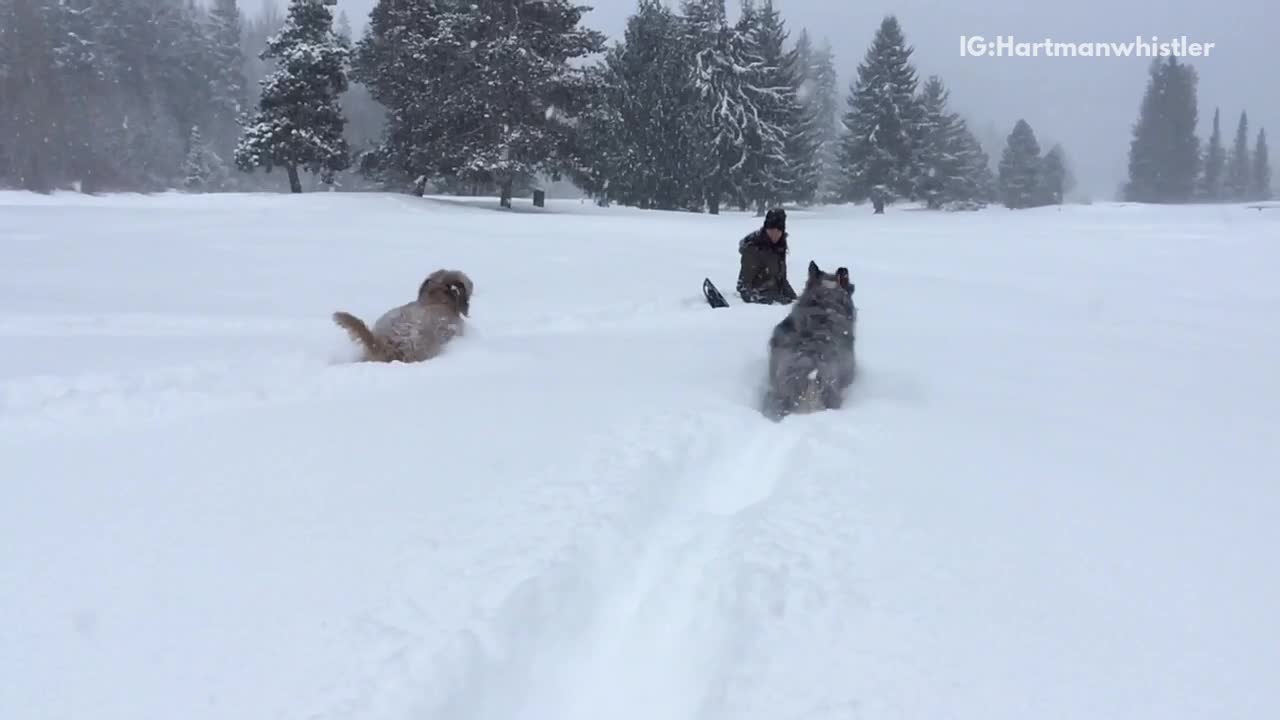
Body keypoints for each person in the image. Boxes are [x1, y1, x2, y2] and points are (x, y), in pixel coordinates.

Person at [735, 207, 797, 305]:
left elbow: (781, 280)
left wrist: (795, 300)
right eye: (771, 229)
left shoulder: (780, 248)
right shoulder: (754, 248)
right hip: (761, 303)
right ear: (766, 228)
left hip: (776, 297)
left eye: (778, 230)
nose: (774, 234)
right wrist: (766, 301)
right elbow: (744, 286)